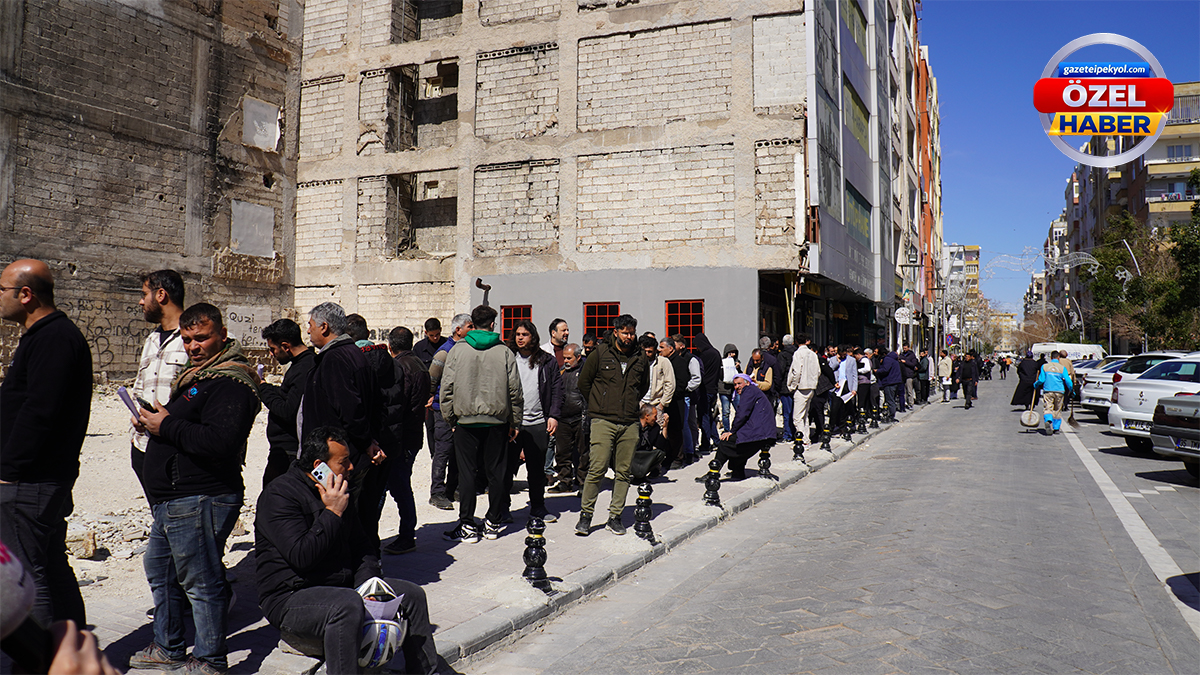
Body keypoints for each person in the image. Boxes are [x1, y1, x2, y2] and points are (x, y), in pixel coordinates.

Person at [131, 302, 260, 674]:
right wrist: (155, 422)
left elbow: (221, 441)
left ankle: (209, 659)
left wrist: (166, 426)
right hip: (174, 498)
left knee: (200, 582)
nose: (193, 346)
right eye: (187, 340)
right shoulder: (197, 377)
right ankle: (168, 647)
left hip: (201, 496)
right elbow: (185, 425)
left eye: (201, 338)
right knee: (161, 570)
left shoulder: (232, 382)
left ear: (222, 334)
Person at [254, 427, 439, 675]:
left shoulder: (341, 491)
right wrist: (332, 513)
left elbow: (363, 548)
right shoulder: (280, 495)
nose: (351, 467)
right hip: (291, 596)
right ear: (319, 466)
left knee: (412, 595)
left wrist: (370, 586)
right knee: (347, 605)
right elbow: (301, 556)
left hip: (341, 586)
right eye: (343, 462)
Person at [0, 259, 91, 629]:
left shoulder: (54, 338)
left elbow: (40, 412)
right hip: (39, 479)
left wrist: (8, 472)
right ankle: (74, 649)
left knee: (27, 577)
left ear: (25, 294)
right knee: (50, 567)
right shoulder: (46, 335)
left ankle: (41, 657)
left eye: (2, 289)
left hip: (30, 481)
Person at [301, 303, 385, 543]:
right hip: (350, 454)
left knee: (341, 521)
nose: (308, 331)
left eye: (311, 325)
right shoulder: (353, 354)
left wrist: (365, 442)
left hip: (337, 459)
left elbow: (351, 410)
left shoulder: (335, 359)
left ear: (324, 327)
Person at [440, 305, 522, 544]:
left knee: (467, 474)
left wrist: (450, 418)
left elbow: (446, 387)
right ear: (493, 324)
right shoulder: (504, 351)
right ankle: (493, 522)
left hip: (465, 421)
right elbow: (515, 390)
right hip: (497, 421)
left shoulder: (458, 350)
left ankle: (467, 524)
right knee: (496, 473)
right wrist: (515, 420)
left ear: (473, 324)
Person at [575, 314, 650, 537]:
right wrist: (599, 404)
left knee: (623, 472)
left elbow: (643, 386)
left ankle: (615, 516)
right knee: (597, 468)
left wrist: (629, 403)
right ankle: (586, 515)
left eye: (632, 333)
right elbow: (584, 383)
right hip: (603, 420)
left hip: (629, 422)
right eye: (625, 332)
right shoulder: (600, 353)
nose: (629, 337)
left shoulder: (640, 356)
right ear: (616, 332)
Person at [129, 270, 188, 493]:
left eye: (145, 294)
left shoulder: (192, 340)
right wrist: (136, 417)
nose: (141, 301)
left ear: (161, 295)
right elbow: (140, 387)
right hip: (143, 446)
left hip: (175, 448)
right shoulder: (151, 339)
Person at [505, 320, 563, 526]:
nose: (520, 338)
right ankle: (502, 508)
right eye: (518, 334)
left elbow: (557, 390)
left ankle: (538, 507)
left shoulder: (546, 361)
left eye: (525, 334)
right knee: (506, 468)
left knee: (537, 470)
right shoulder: (508, 358)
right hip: (512, 424)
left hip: (538, 422)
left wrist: (554, 415)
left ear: (533, 337)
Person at [381, 327, 431, 555]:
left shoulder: (399, 367)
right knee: (400, 485)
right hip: (412, 435)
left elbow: (398, 403)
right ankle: (406, 533)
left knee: (399, 487)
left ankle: (406, 535)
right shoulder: (418, 364)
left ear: (390, 346)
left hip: (401, 437)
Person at [260, 319, 315, 487]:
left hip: (289, 452)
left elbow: (288, 411)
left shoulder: (304, 368)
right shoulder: (301, 364)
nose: (271, 354)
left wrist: (263, 389)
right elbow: (289, 395)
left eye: (273, 349)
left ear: (285, 346)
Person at [426, 313, 471, 510]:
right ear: (458, 330)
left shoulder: (465, 349)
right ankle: (437, 492)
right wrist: (432, 397)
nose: (473, 329)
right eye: (470, 326)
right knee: (443, 451)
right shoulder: (445, 352)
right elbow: (432, 379)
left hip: (462, 410)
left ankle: (453, 488)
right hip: (443, 410)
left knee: (458, 451)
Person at [693, 375, 776, 482]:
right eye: (735, 384)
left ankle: (713, 473)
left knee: (725, 443)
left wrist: (731, 431)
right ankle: (738, 472)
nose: (737, 387)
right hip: (763, 431)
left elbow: (742, 413)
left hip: (760, 432)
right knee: (739, 443)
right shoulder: (752, 390)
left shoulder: (749, 391)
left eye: (739, 383)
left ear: (747, 383)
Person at [549, 344, 588, 494]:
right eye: (564, 358)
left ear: (578, 357)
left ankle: (583, 483)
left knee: (583, 453)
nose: (565, 361)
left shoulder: (585, 371)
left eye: (569, 358)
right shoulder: (561, 372)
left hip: (580, 417)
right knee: (562, 452)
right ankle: (565, 481)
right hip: (563, 418)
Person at [786, 334, 820, 455]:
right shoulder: (813, 354)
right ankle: (806, 439)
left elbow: (796, 371)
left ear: (796, 341)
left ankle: (803, 441)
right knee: (804, 415)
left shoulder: (798, 354)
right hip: (811, 387)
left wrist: (793, 385)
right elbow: (818, 371)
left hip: (801, 388)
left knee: (797, 417)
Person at [691, 333, 723, 453]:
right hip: (714, 389)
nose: (697, 349)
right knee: (709, 416)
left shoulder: (704, 355)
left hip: (705, 390)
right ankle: (716, 440)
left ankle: (705, 444)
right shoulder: (716, 353)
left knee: (703, 416)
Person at [640, 335, 676, 432]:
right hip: (641, 403)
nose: (647, 354)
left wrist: (662, 404)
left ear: (655, 351)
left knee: (658, 431)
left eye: (650, 351)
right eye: (645, 351)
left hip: (656, 403)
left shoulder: (663, 362)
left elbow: (670, 384)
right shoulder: (639, 362)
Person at [1035, 351, 1074, 434]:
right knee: (1057, 409)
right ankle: (1056, 428)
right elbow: (1068, 380)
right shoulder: (1062, 368)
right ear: (1058, 358)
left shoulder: (1044, 366)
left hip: (1048, 390)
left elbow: (1041, 379)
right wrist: (1071, 390)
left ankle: (1048, 420)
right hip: (1059, 391)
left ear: (1051, 357)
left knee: (1048, 407)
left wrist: (1036, 384)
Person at [775, 335, 797, 442]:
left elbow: (780, 371)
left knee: (787, 412)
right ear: (792, 343)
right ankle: (795, 432)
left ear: (783, 344)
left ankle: (788, 434)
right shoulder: (797, 353)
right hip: (797, 386)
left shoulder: (782, 355)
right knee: (795, 412)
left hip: (785, 387)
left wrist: (778, 387)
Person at [718, 344, 740, 430]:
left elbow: (740, 376)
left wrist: (737, 368)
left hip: (734, 390)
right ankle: (726, 430)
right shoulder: (722, 363)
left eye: (734, 353)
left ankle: (737, 428)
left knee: (739, 410)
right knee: (726, 412)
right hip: (724, 390)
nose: (733, 355)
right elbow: (720, 376)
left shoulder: (737, 363)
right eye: (731, 353)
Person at [877, 348, 902, 422]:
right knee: (892, 399)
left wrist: (877, 370)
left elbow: (885, 369)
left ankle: (891, 416)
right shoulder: (894, 358)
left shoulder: (887, 359)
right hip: (896, 381)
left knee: (890, 400)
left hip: (890, 382)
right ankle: (891, 414)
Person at [899, 343, 918, 413]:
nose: (904, 349)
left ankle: (910, 403)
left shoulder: (912, 355)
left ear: (908, 348)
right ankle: (904, 403)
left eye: (905, 348)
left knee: (909, 390)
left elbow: (913, 364)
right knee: (903, 391)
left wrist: (905, 362)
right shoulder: (901, 355)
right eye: (903, 348)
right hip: (902, 375)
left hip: (909, 374)